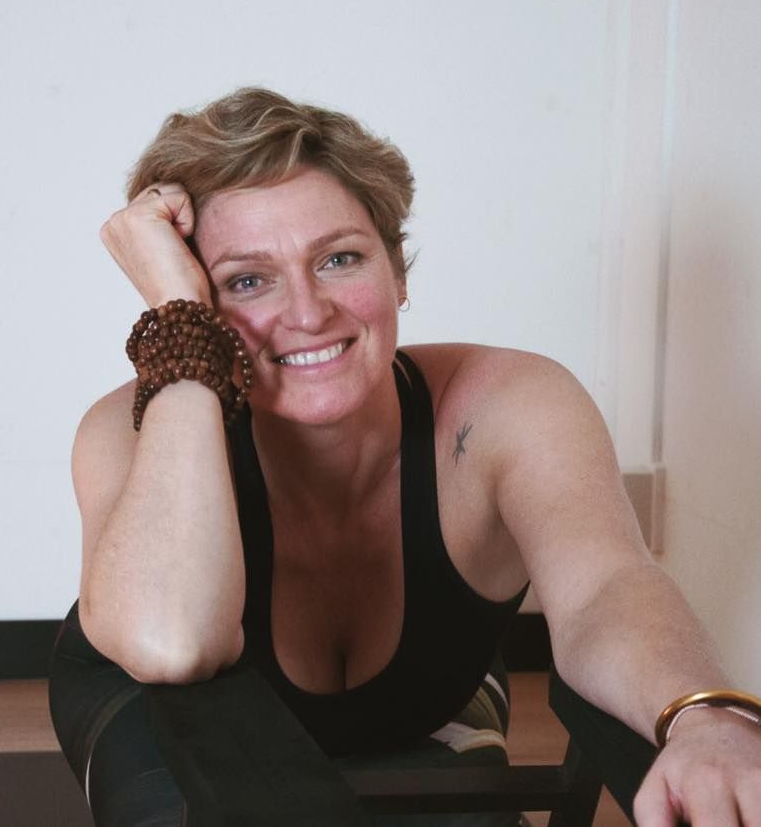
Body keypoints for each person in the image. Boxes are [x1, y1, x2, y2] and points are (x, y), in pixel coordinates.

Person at [49, 87, 761, 826]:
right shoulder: (129, 426)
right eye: (246, 281)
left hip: (419, 697)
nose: (307, 312)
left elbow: (604, 587)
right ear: (199, 304)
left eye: (339, 259)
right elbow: (171, 645)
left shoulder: (510, 405)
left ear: (398, 271)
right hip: (161, 699)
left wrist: (704, 717)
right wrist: (180, 323)